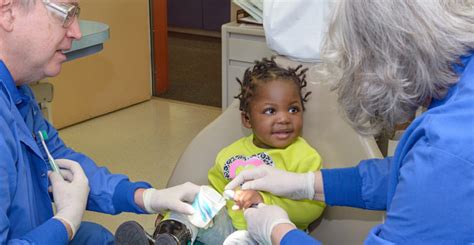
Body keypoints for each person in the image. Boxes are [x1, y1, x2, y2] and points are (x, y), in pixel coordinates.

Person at [225, 0, 474, 244]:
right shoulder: (461, 82)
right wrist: (305, 184)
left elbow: (437, 169)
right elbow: (409, 174)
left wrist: (279, 232)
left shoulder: (448, 146)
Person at [0, 0, 199, 244]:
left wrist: (145, 197)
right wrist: (64, 224)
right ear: (8, 13)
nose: (77, 32)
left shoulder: (16, 93)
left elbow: (58, 161)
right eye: (66, 14)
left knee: (95, 237)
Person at [150, 58, 325, 244]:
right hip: (227, 224)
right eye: (270, 111)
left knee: (239, 240)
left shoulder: (305, 157)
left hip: (270, 234)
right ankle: (169, 235)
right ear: (247, 120)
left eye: (293, 109)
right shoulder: (230, 153)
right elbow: (215, 191)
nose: (284, 118)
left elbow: (312, 208)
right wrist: (173, 213)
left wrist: (262, 200)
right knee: (193, 202)